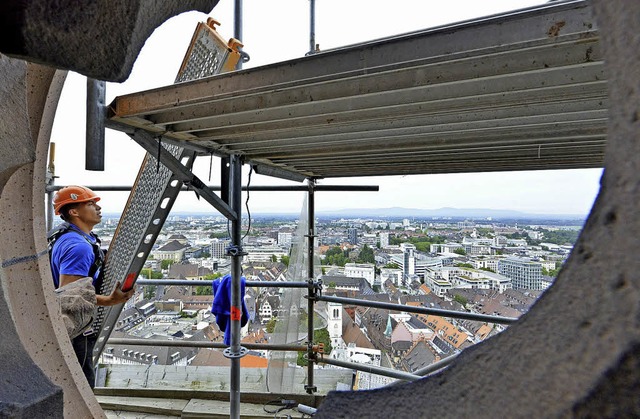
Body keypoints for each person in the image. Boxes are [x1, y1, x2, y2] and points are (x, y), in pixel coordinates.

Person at [49, 185, 134, 388]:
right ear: (74, 211)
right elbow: (70, 296)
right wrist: (110, 301)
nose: (98, 207)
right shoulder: (78, 247)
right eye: (90, 203)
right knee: (80, 387)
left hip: (63, 325)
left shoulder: (66, 236)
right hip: (75, 329)